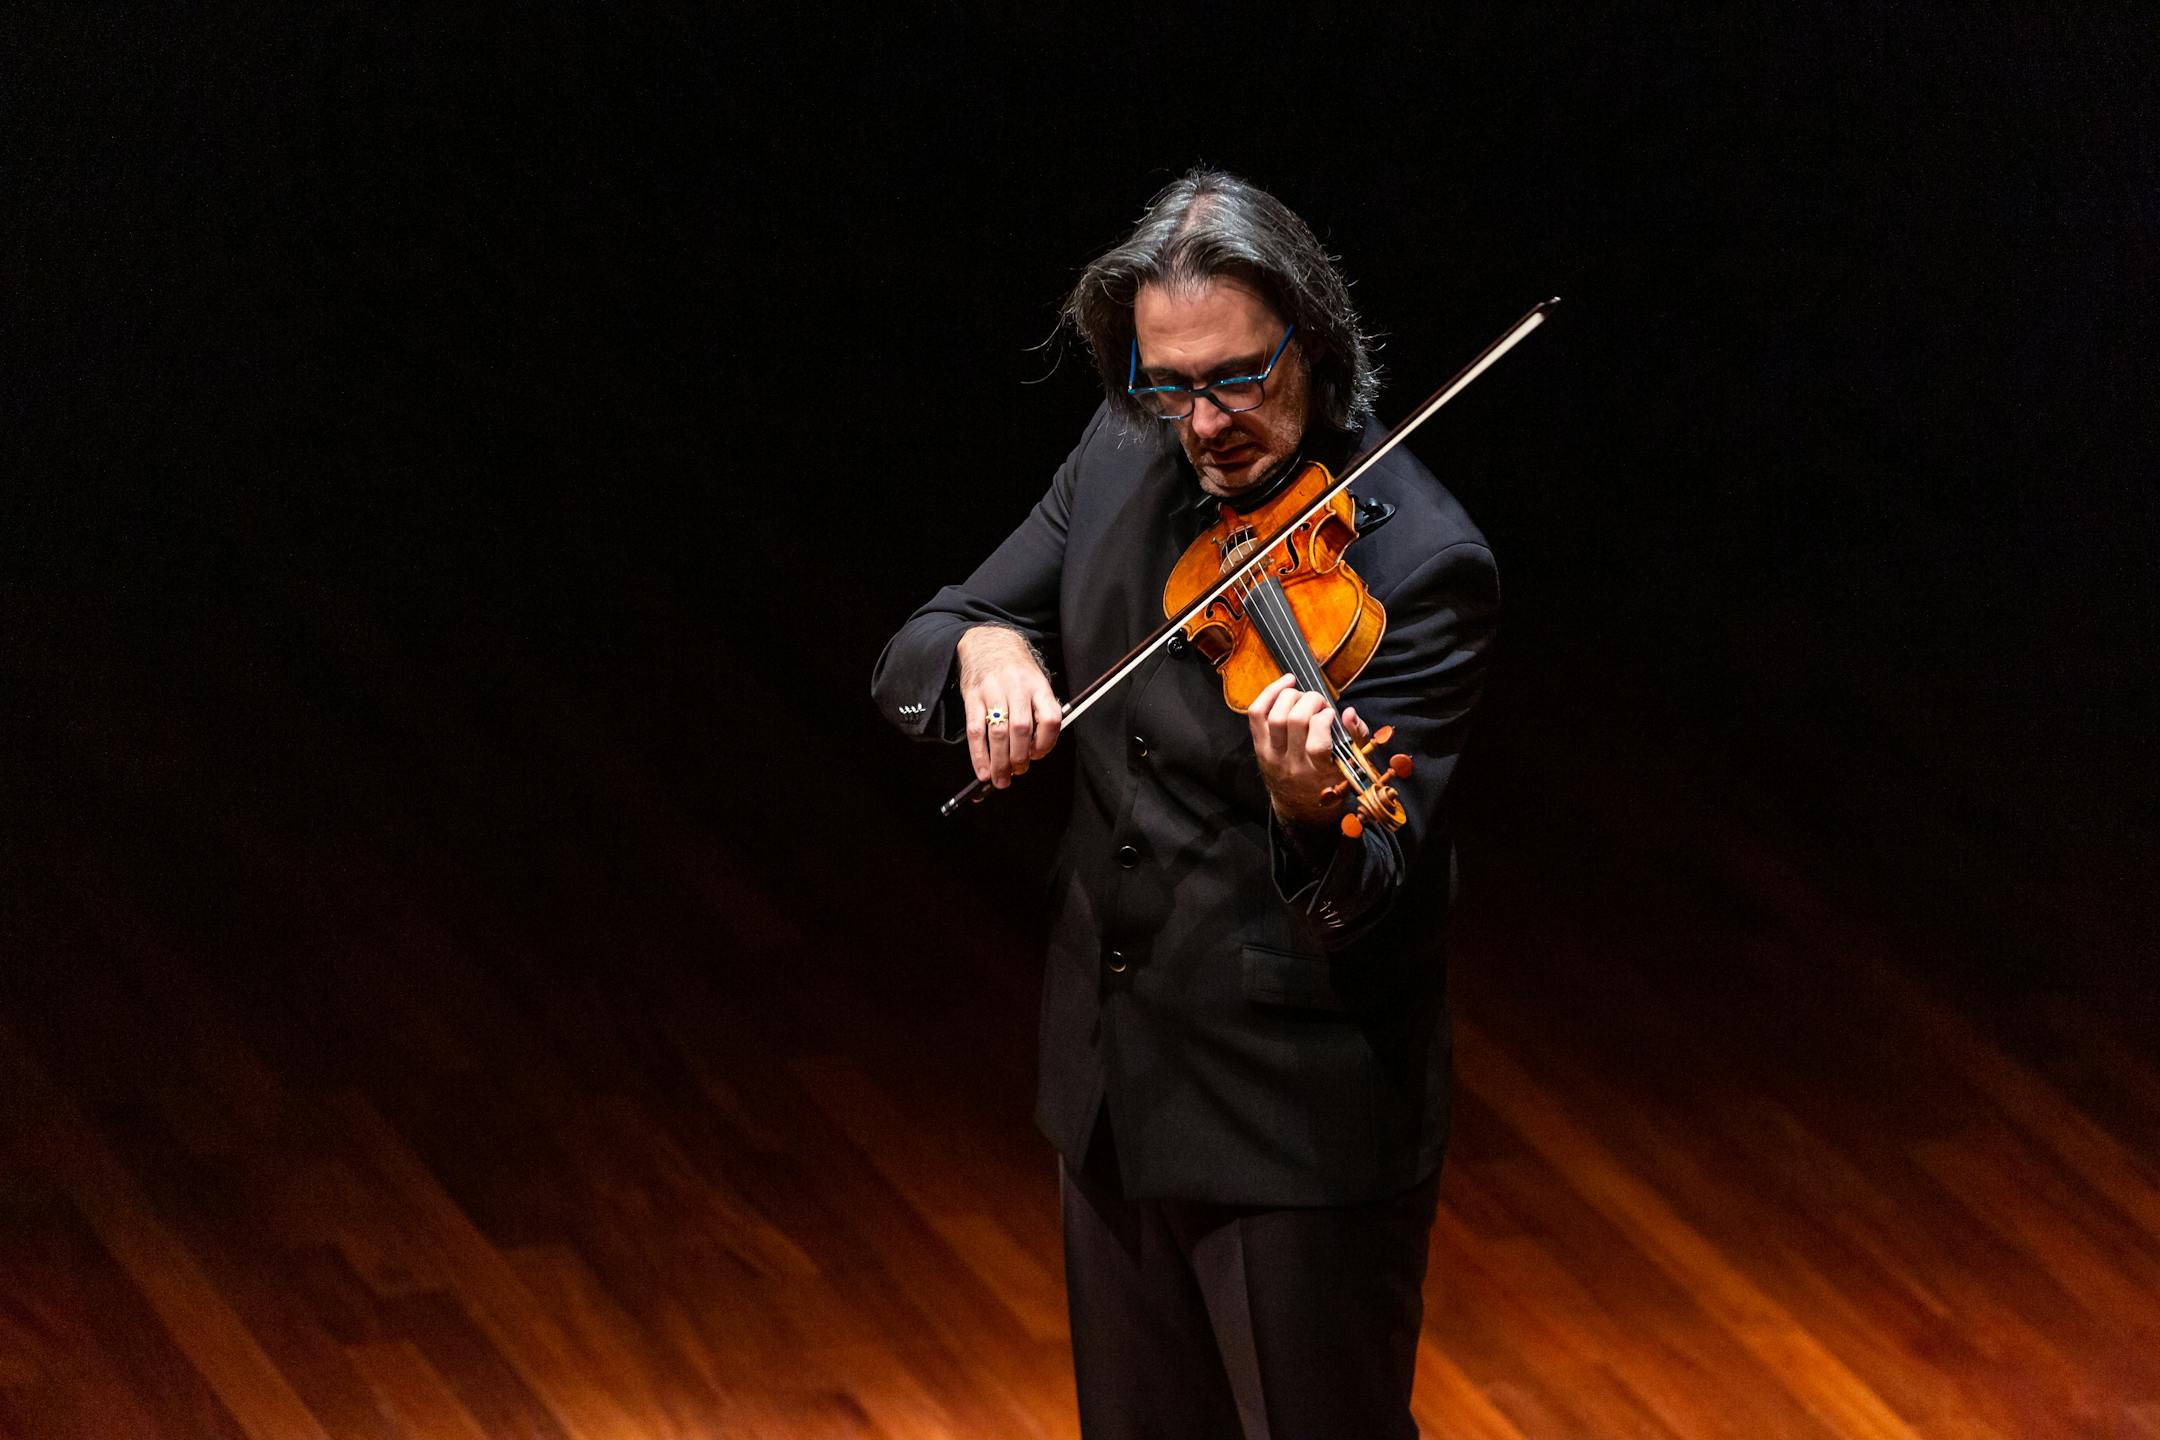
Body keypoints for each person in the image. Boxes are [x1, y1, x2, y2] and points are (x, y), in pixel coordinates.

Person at [872, 169, 1500, 1440]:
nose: (1203, 423)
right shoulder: (1120, 453)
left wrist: (1311, 809)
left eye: (1237, 379)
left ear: (1312, 345)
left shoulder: (1422, 565)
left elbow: (1376, 880)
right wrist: (990, 653)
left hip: (1293, 1129)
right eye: (1170, 386)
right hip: (1113, 1094)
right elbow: (927, 639)